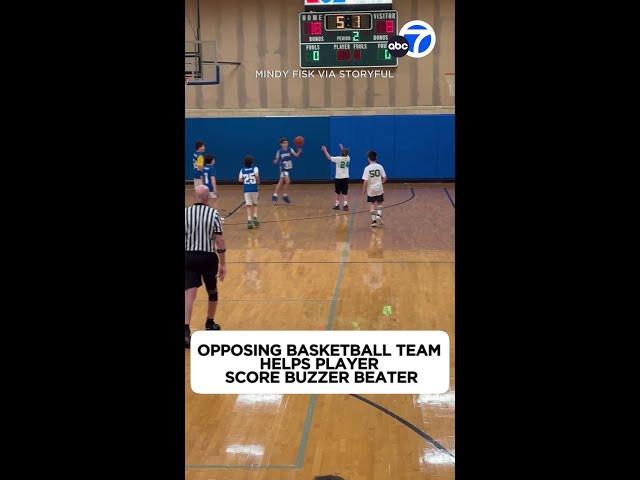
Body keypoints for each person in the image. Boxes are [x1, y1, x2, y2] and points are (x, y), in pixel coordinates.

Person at [185, 185, 227, 348]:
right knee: (212, 291)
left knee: (190, 293)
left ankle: (185, 331)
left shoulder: (186, 213)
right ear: (207, 198)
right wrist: (223, 263)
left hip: (188, 256)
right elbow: (219, 241)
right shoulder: (214, 214)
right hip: (208, 258)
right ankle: (210, 323)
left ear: (194, 197)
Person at [272, 137, 302, 205]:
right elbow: (276, 159)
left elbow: (296, 155)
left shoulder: (290, 149)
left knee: (281, 182)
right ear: (281, 144)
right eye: (284, 143)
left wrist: (299, 152)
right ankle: (284, 195)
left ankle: (275, 196)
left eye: (287, 142)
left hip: (287, 168)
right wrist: (275, 161)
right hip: (283, 168)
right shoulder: (279, 151)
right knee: (288, 181)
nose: (286, 144)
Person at [361, 150, 387, 228]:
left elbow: (365, 181)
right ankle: (378, 215)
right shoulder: (380, 166)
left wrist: (364, 189)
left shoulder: (367, 168)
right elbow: (385, 178)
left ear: (368, 158)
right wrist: (381, 183)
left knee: (372, 203)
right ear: (376, 157)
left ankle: (373, 221)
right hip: (379, 188)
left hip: (371, 189)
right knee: (379, 202)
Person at [321, 143, 350, 211]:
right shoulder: (348, 158)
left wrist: (325, 150)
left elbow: (329, 158)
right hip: (345, 177)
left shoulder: (338, 159)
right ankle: (345, 205)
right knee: (345, 192)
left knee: (337, 192)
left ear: (341, 153)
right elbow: (345, 153)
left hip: (338, 178)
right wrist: (342, 147)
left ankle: (337, 205)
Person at [238, 155, 260, 229]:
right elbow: (256, 175)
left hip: (246, 189)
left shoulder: (242, 170)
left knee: (248, 205)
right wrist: (258, 181)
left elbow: (239, 180)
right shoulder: (255, 168)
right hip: (254, 189)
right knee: (255, 204)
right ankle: (255, 217)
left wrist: (245, 179)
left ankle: (249, 220)